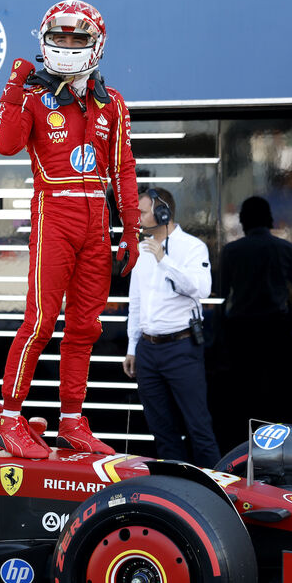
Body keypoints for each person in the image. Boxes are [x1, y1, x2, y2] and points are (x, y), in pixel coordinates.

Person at [0, 0, 140, 459]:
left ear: (97, 46)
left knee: (85, 327)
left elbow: (124, 169)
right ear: (44, 41)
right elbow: (6, 145)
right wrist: (13, 89)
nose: (68, 46)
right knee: (39, 321)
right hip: (53, 212)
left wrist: (130, 230)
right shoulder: (34, 97)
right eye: (61, 37)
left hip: (96, 221)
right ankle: (9, 420)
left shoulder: (111, 103)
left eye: (78, 39)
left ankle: (72, 421)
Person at [122, 188, 220, 467]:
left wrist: (165, 261)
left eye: (142, 212)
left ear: (163, 212)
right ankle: (176, 491)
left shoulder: (192, 247)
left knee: (198, 426)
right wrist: (132, 348)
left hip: (181, 347)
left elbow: (202, 288)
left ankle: (215, 493)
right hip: (148, 351)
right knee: (162, 430)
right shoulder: (141, 249)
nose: (137, 219)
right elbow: (136, 302)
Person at [216, 196, 292, 449]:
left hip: (241, 327)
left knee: (245, 387)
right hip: (275, 325)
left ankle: (244, 443)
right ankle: (282, 442)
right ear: (268, 219)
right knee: (280, 386)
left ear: (243, 221)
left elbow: (221, 293)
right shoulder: (284, 248)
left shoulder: (231, 251)